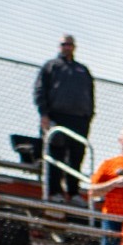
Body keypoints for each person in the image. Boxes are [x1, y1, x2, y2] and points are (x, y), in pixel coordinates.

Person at [35, 35, 95, 201]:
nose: (67, 47)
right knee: (56, 154)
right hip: (57, 116)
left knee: (77, 156)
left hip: (79, 119)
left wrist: (88, 116)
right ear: (59, 46)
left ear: (74, 46)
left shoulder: (82, 70)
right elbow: (40, 91)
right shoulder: (51, 66)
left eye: (70, 44)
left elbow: (91, 95)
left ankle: (73, 192)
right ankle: (54, 191)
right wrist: (44, 114)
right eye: (64, 44)